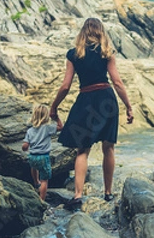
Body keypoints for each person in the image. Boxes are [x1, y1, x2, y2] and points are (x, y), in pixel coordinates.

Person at [50, 17, 133, 211]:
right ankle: (108, 192)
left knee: (82, 150)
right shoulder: (107, 53)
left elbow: (65, 86)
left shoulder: (73, 54)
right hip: (106, 99)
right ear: (101, 31)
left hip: (86, 99)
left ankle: (78, 195)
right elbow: (118, 83)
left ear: (83, 32)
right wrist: (128, 106)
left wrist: (54, 107)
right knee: (108, 147)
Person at [22, 104, 58, 201]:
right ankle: (41, 200)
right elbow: (61, 127)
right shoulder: (48, 128)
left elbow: (25, 146)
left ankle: (35, 181)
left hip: (32, 157)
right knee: (44, 180)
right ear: (46, 117)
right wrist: (56, 118)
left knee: (34, 167)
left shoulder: (30, 130)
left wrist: (25, 148)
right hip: (44, 157)